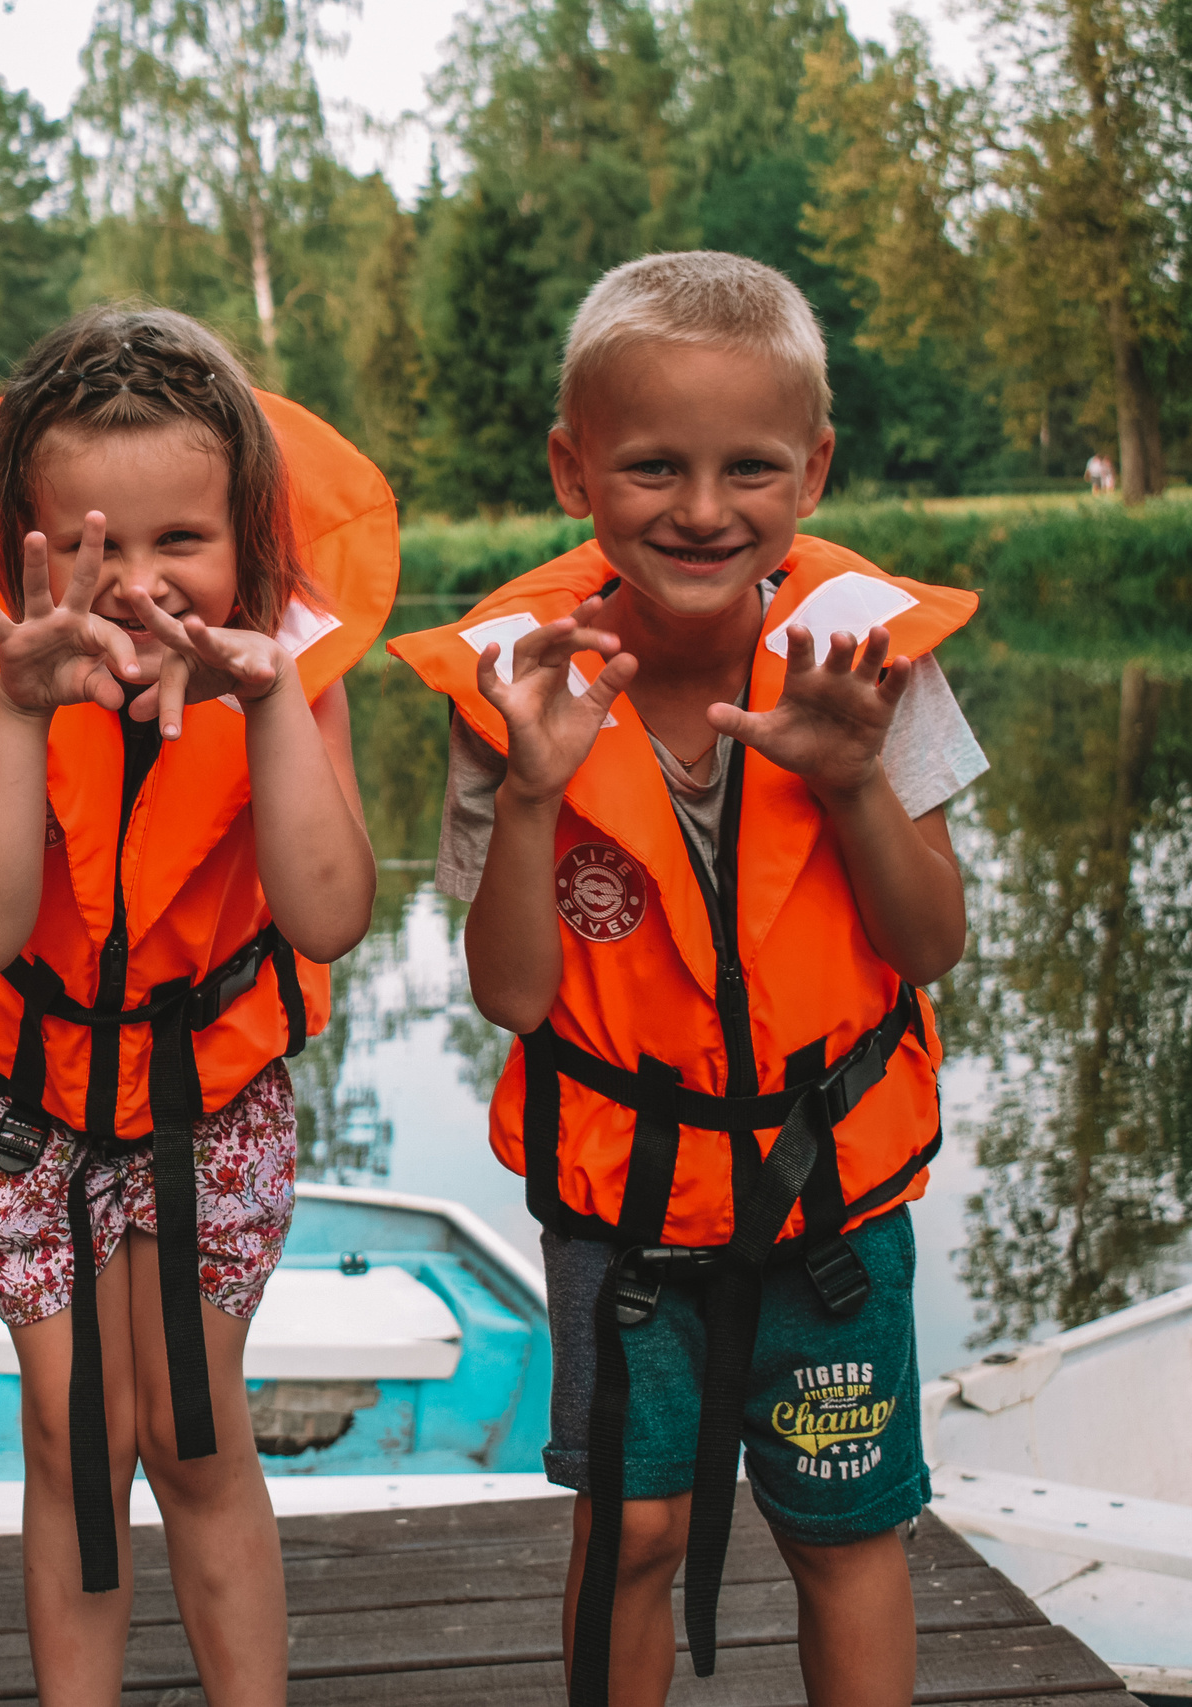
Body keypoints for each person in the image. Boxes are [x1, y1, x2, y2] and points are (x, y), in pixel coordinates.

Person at [387, 252, 989, 1707]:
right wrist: (531, 795)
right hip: (627, 1213)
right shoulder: (516, 687)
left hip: (830, 1198)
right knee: (635, 1530)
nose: (704, 510)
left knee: (848, 1532)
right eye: (653, 465)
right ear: (571, 467)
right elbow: (514, 1000)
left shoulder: (868, 664)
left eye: (750, 468)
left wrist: (852, 785)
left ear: (816, 467)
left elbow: (929, 947)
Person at [0, 304, 397, 1707]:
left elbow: (328, 915)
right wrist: (17, 712)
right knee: (71, 1433)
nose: (141, 582)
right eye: (95, 546)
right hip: (26, 1114)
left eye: (185, 542)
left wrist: (277, 705)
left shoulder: (293, 671)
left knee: (191, 1431)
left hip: (210, 1106)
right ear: (30, 545)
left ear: (250, 545)